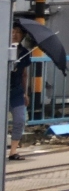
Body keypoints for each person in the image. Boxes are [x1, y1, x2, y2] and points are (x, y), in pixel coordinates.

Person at [8, 21, 29, 162]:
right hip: (3, 90)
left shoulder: (24, 53)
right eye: (13, 31)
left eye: (19, 32)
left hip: (16, 91)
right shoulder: (3, 48)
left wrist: (25, 92)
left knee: (20, 119)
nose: (15, 35)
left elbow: (24, 74)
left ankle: (13, 151)